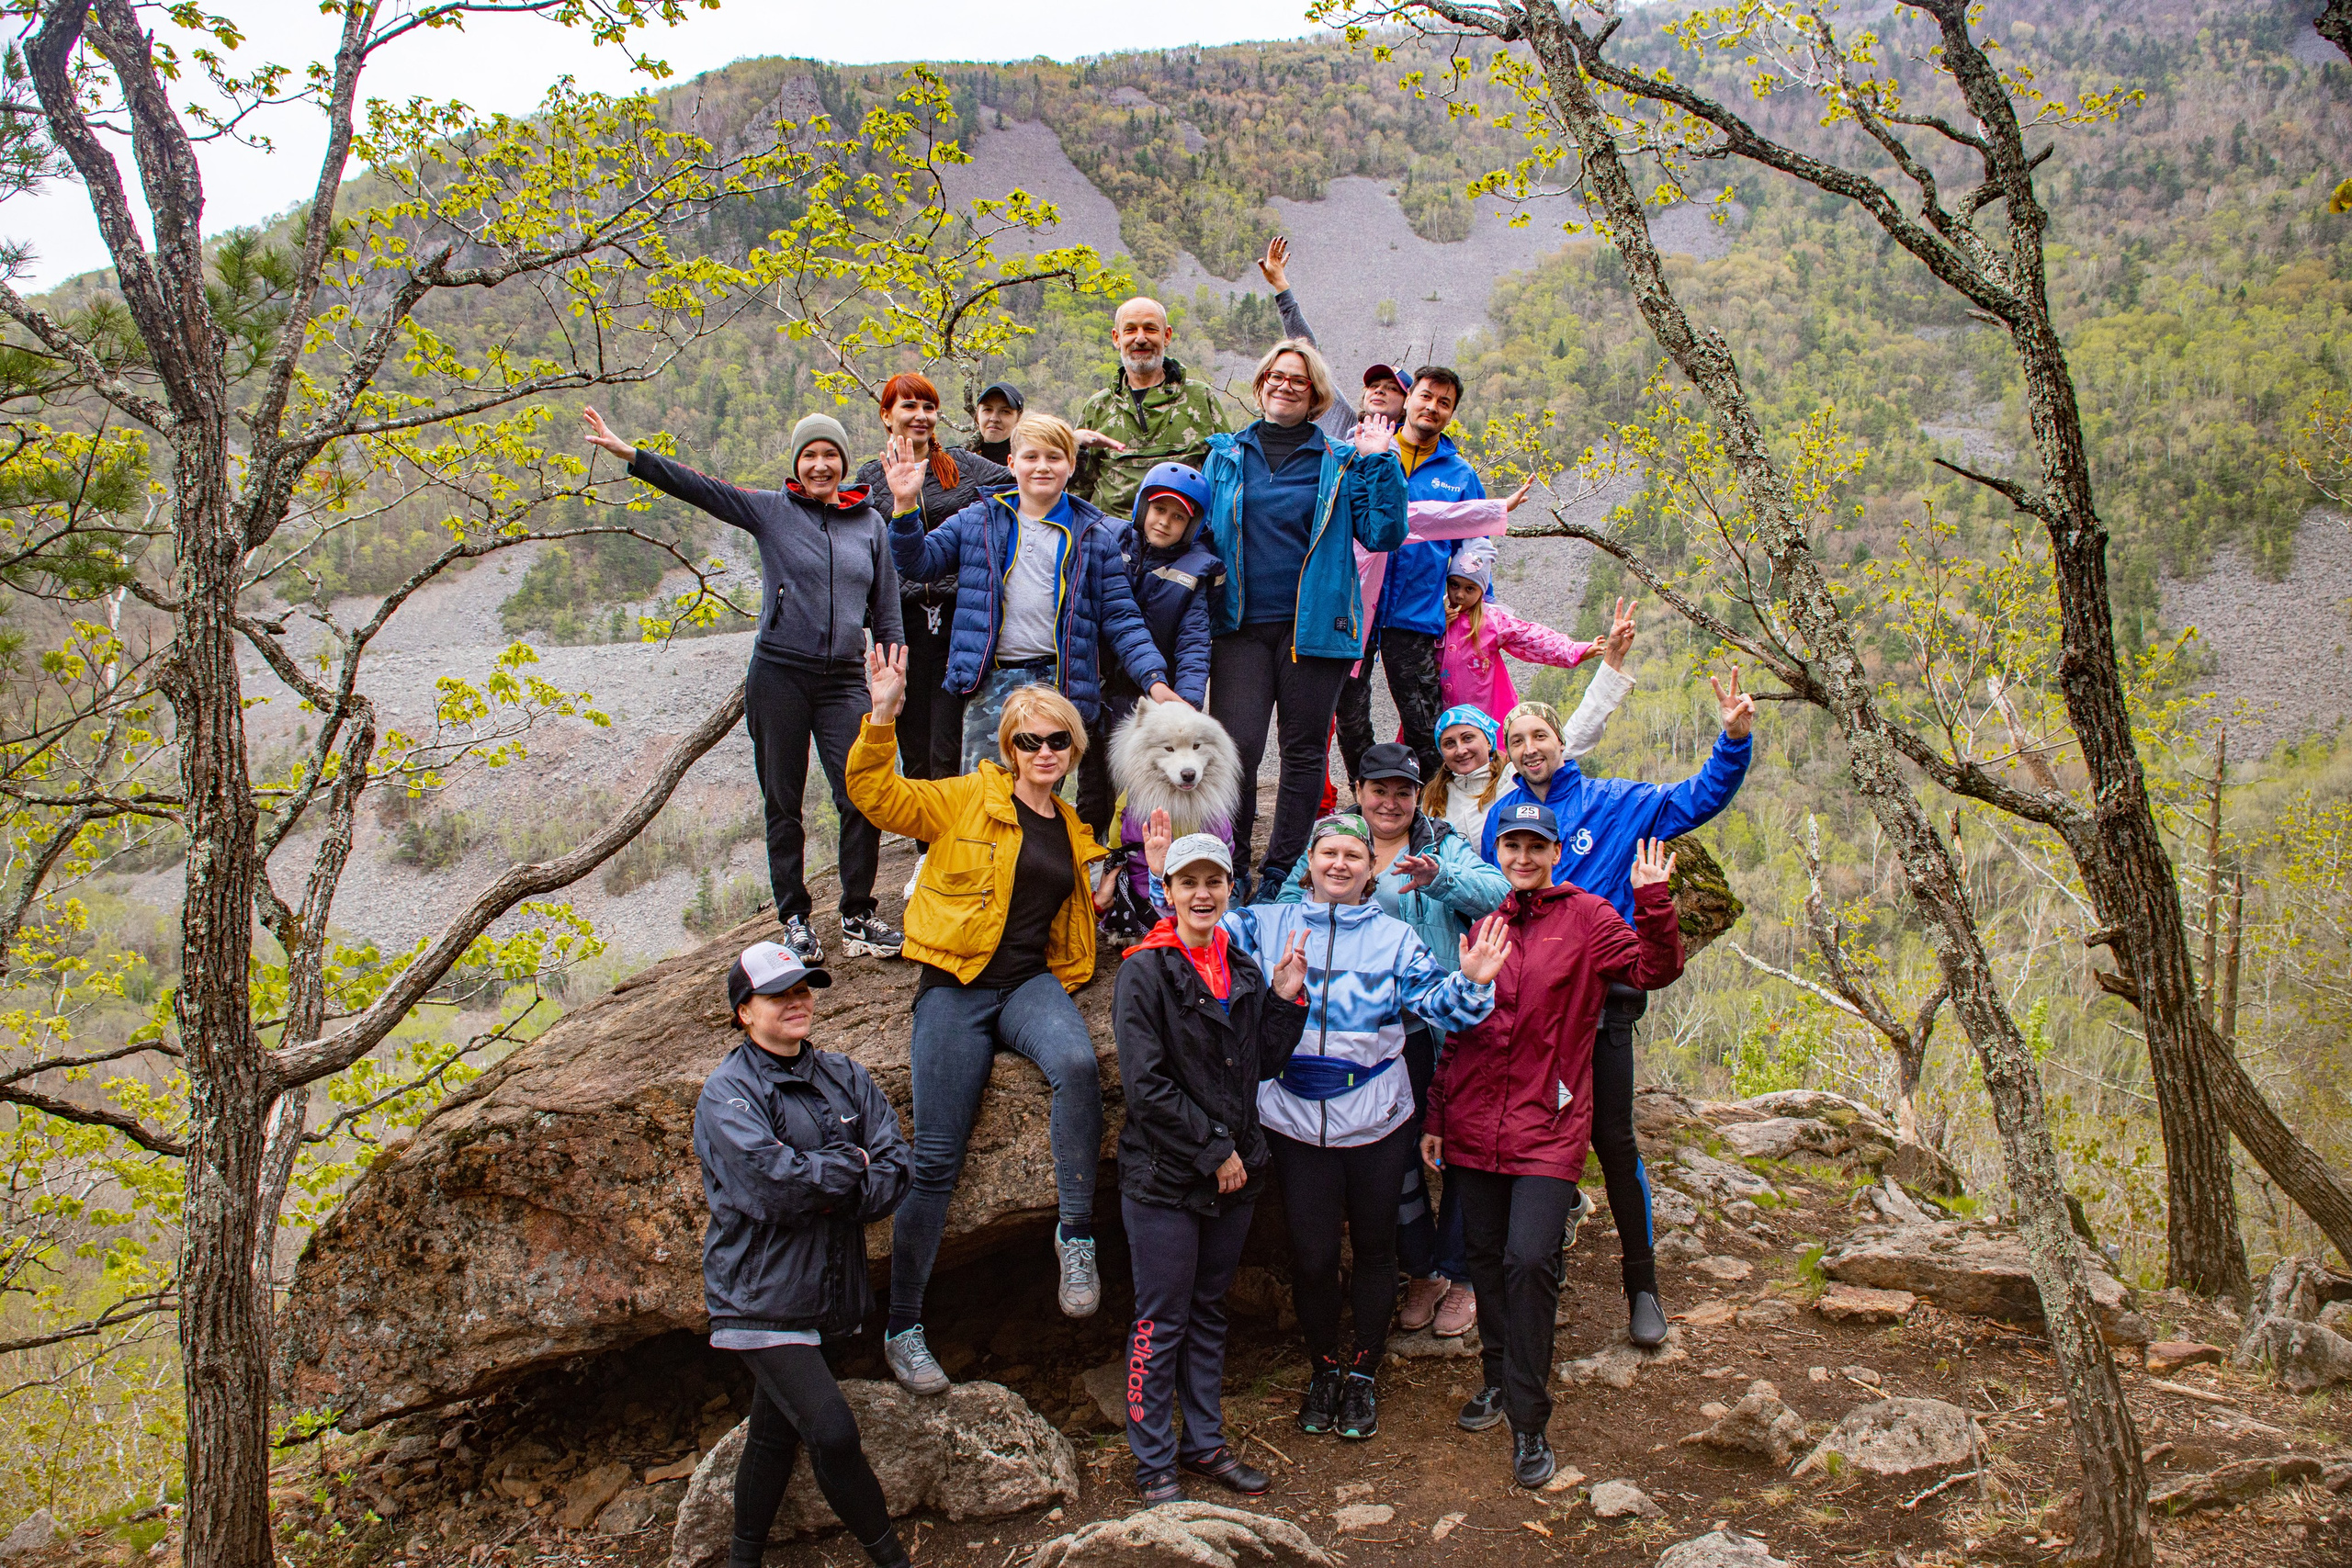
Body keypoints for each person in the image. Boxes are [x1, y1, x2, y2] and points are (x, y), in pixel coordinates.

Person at [1146, 809, 1508, 1442]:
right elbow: (1191, 934)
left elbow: (1437, 1004)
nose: (1339, 864)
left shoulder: (1394, 938)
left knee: (1375, 1248)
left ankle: (1363, 1374)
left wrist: (1473, 982)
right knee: (1312, 1257)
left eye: (1354, 855)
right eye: (1328, 853)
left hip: (1375, 1115)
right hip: (1289, 1115)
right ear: (1310, 863)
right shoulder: (1264, 924)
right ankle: (1324, 1368)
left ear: (1372, 870)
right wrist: (1159, 878)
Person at [845, 649, 1121, 1395]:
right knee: (936, 1154)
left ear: (1073, 750)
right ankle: (903, 1326)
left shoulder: (1071, 826)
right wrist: (882, 715)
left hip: (1028, 983)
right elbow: (879, 796)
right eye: (1028, 741)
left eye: (1055, 741)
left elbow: (1091, 910)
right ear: (1008, 747)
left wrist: (1143, 867)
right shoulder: (967, 797)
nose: (1042, 753)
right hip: (956, 986)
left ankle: (1076, 1238)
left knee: (1076, 1065)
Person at [1479, 668, 1757, 1348]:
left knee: (1613, 1140)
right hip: (1531, 1012)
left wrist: (1733, 740)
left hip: (1602, 1006)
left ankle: (1643, 1287)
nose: (1530, 747)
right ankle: (1542, 1259)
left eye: (1540, 734)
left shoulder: (1616, 801)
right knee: (1532, 1140)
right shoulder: (1503, 819)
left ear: (1562, 742)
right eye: (1517, 739)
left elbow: (1697, 799)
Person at [581, 405, 900, 967]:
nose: (821, 465)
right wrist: (631, 455)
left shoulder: (871, 524)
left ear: (844, 462)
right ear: (797, 464)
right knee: (783, 800)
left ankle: (856, 915)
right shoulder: (771, 511)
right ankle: (795, 920)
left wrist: (893, 676)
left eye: (830, 455)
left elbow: (888, 610)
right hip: (779, 673)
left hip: (845, 680)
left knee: (861, 795)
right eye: (810, 456)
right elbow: (700, 488)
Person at [1424, 818, 1685, 1489]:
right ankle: (1498, 1379)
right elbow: (1462, 1023)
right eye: (1511, 846)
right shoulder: (1489, 922)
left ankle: (1530, 1418)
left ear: (1556, 854)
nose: (1522, 856)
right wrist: (1437, 1113)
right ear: (1499, 853)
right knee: (1484, 1256)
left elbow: (1654, 969)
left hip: (1549, 1119)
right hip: (1476, 1119)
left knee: (1531, 1257)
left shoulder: (1589, 916)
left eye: (1535, 846)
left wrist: (1652, 901)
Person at [1269, 743, 1509, 1341]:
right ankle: (1422, 1267)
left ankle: (1462, 1273)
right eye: (1379, 789)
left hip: (1432, 1025)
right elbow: (1288, 906)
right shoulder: (1337, 837)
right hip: (1366, 1035)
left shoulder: (1438, 838)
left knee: (1456, 1149)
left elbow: (1499, 893)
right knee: (1395, 1160)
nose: (1391, 801)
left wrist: (1440, 876)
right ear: (1360, 787)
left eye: (1403, 790)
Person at [695, 941, 915, 1568]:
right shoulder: (726, 1092)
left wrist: (825, 1183)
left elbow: (896, 1169)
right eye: (779, 993)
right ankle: (893, 1560)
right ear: (744, 1011)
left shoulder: (845, 1074)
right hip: (758, 1297)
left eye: (803, 987)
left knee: (773, 1432)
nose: (798, 1000)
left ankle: (744, 1558)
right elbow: (769, 1184)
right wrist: (850, 1167)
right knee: (832, 1431)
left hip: (823, 1294)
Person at [1113, 833, 1312, 1504]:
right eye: (1188, 881)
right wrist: (1213, 1149)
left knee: (1207, 1310)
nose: (1203, 893)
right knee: (1161, 1316)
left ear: (1231, 890)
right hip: (1167, 1176)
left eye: (1214, 881)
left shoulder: (1243, 967)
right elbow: (1146, 1086)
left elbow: (1264, 1064)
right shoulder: (1145, 970)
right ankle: (1153, 1463)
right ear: (1166, 892)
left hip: (1235, 1173)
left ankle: (1203, 1444)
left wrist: (1286, 998)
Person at [1201, 339, 1406, 901]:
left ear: (1315, 393)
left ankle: (1281, 876)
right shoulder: (1223, 455)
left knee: (1303, 749)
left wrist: (1380, 460)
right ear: (1261, 382)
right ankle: (1231, 864)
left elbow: (1383, 532)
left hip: (1315, 627)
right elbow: (1199, 530)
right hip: (1239, 622)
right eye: (1276, 375)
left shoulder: (1342, 458)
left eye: (1299, 379)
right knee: (1236, 745)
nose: (1285, 385)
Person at [884, 413, 1186, 773]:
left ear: (1071, 465)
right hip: (991, 681)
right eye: (1031, 457)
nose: (1042, 467)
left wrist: (1155, 681)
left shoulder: (1094, 536)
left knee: (1039, 799)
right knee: (985, 797)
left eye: (1054, 457)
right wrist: (904, 507)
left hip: (1059, 684)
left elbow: (1123, 619)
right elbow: (917, 563)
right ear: (1012, 464)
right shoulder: (977, 520)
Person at [854, 375, 1013, 797]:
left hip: (958, 621)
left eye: (928, 407)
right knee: (912, 746)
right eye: (908, 407)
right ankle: (926, 850)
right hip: (899, 625)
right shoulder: (870, 478)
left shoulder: (965, 466)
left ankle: (951, 846)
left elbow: (1027, 481)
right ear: (887, 416)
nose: (920, 417)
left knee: (949, 742)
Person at [1337, 366, 1483, 788]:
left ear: (1452, 413)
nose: (1432, 407)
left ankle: (1439, 807)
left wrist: (1467, 585)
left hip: (1415, 612)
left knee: (1423, 717)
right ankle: (1366, 796)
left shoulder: (1460, 475)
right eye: (1425, 396)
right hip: (1355, 607)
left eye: (1444, 403)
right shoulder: (1367, 450)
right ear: (1409, 398)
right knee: (1349, 711)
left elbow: (1476, 542)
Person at [1076, 462, 1221, 845]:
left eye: (1178, 517)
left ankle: (1131, 867)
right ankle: (1089, 865)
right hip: (1094, 685)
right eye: (1159, 510)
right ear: (1142, 508)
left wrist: (1184, 707)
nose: (1164, 522)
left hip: (1148, 699)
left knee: (1134, 793)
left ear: (1191, 526)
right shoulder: (1107, 543)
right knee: (1091, 784)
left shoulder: (1194, 570)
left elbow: (1193, 644)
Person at [1442, 539, 1639, 725]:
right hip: (1440, 719)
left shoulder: (1491, 621)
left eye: (1470, 589)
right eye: (1454, 585)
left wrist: (1574, 651)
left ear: (1481, 591)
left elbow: (1531, 638)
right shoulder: (1435, 617)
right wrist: (1440, 624)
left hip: (1484, 720)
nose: (1459, 595)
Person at [1071, 297, 1233, 518]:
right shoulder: (1098, 406)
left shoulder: (1199, 398)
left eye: (1150, 329)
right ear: (1116, 338)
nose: (1140, 339)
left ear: (1166, 336)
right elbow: (1078, 487)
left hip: (1181, 539)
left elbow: (1227, 475)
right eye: (1130, 330)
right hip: (1111, 539)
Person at [971, 381, 1023, 467]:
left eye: (1005, 411)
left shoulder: (1027, 464)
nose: (994, 419)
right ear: (978, 416)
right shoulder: (958, 461)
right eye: (988, 409)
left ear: (1018, 418)